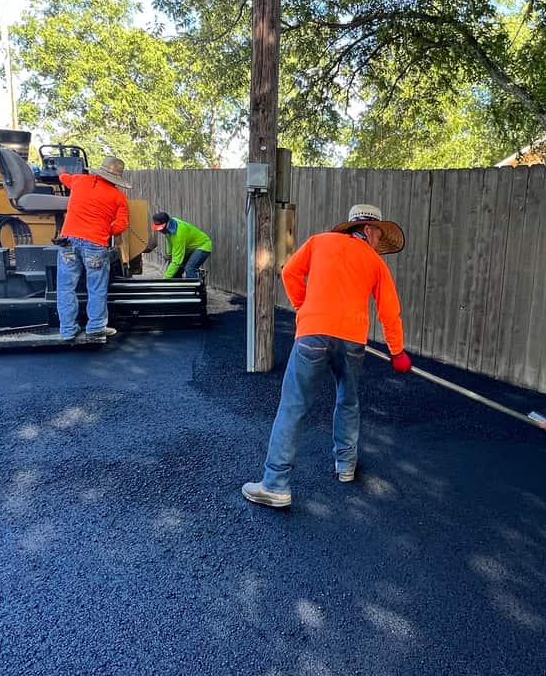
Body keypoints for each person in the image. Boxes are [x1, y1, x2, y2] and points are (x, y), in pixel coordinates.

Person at [242, 204, 413, 509]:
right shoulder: (374, 262)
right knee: (348, 400)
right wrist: (397, 351)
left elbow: (290, 273)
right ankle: (346, 467)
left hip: (313, 335)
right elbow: (390, 312)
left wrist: (303, 306)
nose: (378, 243)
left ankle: (275, 484)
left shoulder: (319, 241)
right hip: (352, 341)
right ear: (369, 230)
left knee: (294, 405)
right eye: (378, 235)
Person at [56, 156, 131, 342]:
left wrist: (61, 171)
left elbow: (64, 178)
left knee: (65, 288)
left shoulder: (79, 181)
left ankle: (67, 330)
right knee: (96, 288)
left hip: (68, 241)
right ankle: (96, 327)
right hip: (96, 244)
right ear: (117, 179)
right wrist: (106, 230)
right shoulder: (118, 197)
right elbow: (122, 224)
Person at [152, 212, 213, 279]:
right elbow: (169, 240)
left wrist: (165, 279)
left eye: (160, 229)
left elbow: (177, 260)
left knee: (190, 269)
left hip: (203, 245)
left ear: (167, 224)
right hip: (189, 248)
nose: (160, 231)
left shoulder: (179, 234)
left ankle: (193, 288)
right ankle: (178, 288)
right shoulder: (169, 227)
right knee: (176, 271)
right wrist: (169, 254)